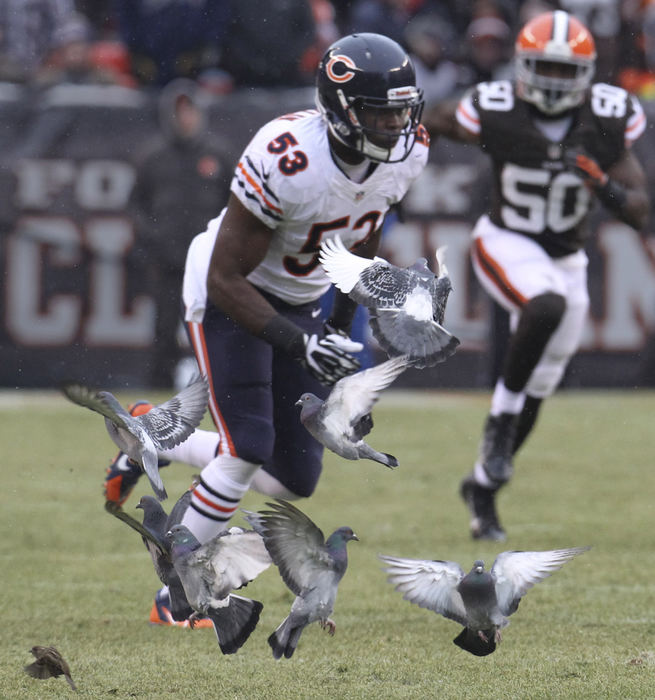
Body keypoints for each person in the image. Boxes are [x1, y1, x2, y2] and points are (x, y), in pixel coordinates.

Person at [104, 32, 429, 623]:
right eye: (380, 113)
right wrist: (302, 341)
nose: (394, 126)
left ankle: (152, 434)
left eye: (402, 111)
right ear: (341, 110)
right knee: (248, 445)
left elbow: (365, 229)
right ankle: (178, 598)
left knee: (293, 478)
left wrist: (335, 323)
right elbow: (228, 277)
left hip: (302, 298)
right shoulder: (287, 157)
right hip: (233, 293)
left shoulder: (408, 152)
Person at [423, 9, 649, 541]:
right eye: (542, 67)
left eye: (564, 70)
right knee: (543, 305)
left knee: (541, 387)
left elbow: (638, 211)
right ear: (522, 67)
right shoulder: (497, 109)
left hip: (566, 257)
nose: (551, 80)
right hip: (506, 239)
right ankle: (498, 425)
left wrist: (601, 183)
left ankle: (482, 486)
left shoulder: (607, 118)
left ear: (588, 74)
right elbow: (430, 118)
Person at [129, 79, 233, 388]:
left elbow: (237, 204)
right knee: (164, 327)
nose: (185, 118)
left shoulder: (219, 155)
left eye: (190, 111)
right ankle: (160, 384)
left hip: (210, 263)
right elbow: (135, 204)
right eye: (179, 112)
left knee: (214, 325)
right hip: (168, 259)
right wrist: (153, 237)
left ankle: (218, 383)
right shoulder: (152, 157)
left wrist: (223, 244)